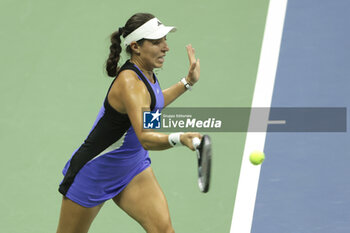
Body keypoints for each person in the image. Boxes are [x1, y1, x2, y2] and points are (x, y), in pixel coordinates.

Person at [56, 12, 201, 233]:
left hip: (133, 166)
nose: (165, 47)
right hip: (96, 172)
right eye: (156, 42)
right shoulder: (130, 84)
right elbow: (145, 137)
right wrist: (179, 138)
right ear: (135, 47)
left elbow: (154, 102)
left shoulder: (148, 73)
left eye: (165, 40)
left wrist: (187, 82)